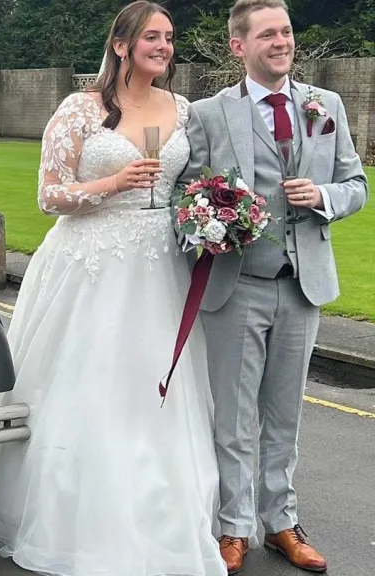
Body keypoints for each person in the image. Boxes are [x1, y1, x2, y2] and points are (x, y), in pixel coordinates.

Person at [0, 2, 226, 575]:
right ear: (122, 44)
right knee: (92, 381)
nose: (164, 46)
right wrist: (111, 182)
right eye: (152, 36)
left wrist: (209, 212)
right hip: (93, 261)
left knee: (158, 388)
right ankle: (77, 517)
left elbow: (192, 182)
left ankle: (162, 513)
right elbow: (50, 195)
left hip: (162, 265)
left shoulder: (180, 109)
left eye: (170, 38)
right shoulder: (81, 108)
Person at [180, 1, 368, 573]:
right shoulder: (209, 113)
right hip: (238, 286)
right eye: (268, 34)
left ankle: (281, 523)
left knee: (285, 416)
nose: (281, 41)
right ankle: (234, 528)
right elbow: (185, 195)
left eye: (285, 31)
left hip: (303, 286)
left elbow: (356, 182)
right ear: (239, 46)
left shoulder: (324, 105)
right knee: (233, 419)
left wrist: (327, 199)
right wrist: (212, 219)